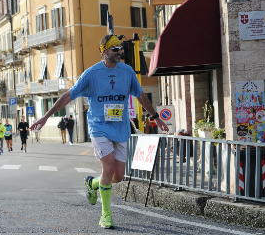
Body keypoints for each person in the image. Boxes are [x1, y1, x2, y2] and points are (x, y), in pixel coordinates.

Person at [29, 34, 169, 229]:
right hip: (99, 126)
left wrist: (156, 117)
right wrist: (45, 117)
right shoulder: (91, 74)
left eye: (121, 48)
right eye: (115, 49)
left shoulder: (127, 72)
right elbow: (68, 96)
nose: (120, 52)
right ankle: (106, 214)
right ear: (104, 52)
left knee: (118, 177)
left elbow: (141, 95)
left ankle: (93, 184)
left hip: (120, 127)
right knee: (109, 167)